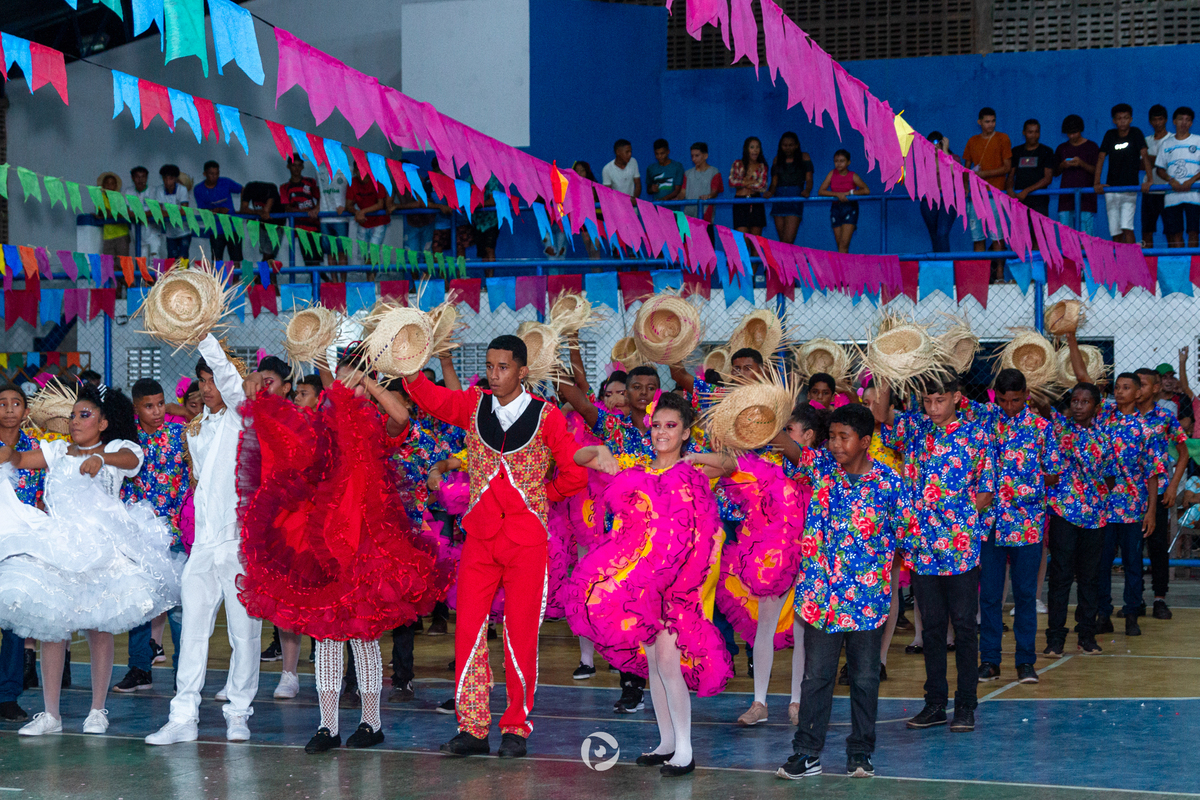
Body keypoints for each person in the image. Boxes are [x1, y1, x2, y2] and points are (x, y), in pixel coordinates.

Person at [237, 353, 441, 753]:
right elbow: (296, 448)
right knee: (327, 634)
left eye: (354, 380)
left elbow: (402, 416)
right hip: (324, 540)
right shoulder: (323, 422)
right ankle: (327, 726)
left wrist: (369, 384)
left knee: (363, 635)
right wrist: (265, 400)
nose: (345, 387)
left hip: (366, 540)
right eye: (341, 380)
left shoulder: (377, 420)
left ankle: (371, 722)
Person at [401, 335, 587, 758]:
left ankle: (516, 727)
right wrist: (409, 368)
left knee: (521, 634)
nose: (494, 374)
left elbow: (575, 473)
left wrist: (543, 497)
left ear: (523, 371)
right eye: (489, 366)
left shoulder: (547, 416)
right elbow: (433, 400)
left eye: (503, 367)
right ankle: (473, 727)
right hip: (481, 539)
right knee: (468, 630)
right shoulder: (474, 404)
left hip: (526, 542)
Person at [0, 385, 180, 736]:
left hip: (102, 549)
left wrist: (101, 459)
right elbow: (19, 459)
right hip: (60, 546)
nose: (75, 421)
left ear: (103, 423)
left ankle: (97, 710)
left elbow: (132, 460)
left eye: (84, 415)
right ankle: (51, 714)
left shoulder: (117, 448)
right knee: (54, 629)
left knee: (99, 627)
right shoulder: (57, 451)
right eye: (73, 415)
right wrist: (9, 449)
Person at [569, 392, 732, 777]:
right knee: (655, 664)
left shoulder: (694, 472)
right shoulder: (636, 469)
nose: (661, 432)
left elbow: (729, 463)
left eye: (671, 426)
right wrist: (599, 449)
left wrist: (698, 457)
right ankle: (667, 742)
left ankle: (685, 750)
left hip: (680, 586)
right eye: (657, 425)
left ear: (686, 432)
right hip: (642, 587)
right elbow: (578, 458)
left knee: (669, 664)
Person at [777, 404, 912, 781]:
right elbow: (791, 448)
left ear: (865, 441)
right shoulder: (822, 468)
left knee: (865, 678)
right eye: (832, 436)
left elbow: (906, 532)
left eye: (843, 437)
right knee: (816, 677)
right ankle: (807, 752)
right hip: (822, 600)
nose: (835, 444)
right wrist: (766, 422)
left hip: (867, 603)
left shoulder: (889, 482)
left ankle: (861, 752)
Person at [146, 336, 262, 745]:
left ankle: (239, 713)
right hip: (204, 544)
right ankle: (183, 716)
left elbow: (231, 381)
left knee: (244, 631)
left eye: (213, 379)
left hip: (239, 542)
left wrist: (203, 338)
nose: (207, 387)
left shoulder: (242, 416)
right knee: (192, 628)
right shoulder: (195, 428)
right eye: (202, 380)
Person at [869, 376, 994, 733]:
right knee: (933, 627)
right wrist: (887, 374)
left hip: (960, 548)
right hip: (922, 548)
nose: (934, 408)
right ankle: (935, 703)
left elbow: (986, 491)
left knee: (965, 626)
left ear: (956, 397)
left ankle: (966, 705)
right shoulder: (914, 429)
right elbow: (880, 414)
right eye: (928, 401)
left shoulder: (976, 435)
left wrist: (959, 522)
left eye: (940, 400)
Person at [720, 402, 825, 729]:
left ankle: (797, 701)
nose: (779, 438)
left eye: (789, 430)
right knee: (764, 627)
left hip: (811, 557)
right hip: (776, 559)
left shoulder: (818, 465)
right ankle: (759, 702)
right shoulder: (768, 467)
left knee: (803, 631)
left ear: (808, 435)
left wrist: (766, 420)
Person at [967, 369, 1060, 686]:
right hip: (990, 523)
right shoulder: (984, 420)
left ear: (1026, 396)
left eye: (1016, 401)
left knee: (1025, 596)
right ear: (995, 396)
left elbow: (1054, 472)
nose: (1009, 407)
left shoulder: (1041, 428)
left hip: (1027, 522)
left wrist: (1028, 479)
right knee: (990, 595)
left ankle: (1025, 662)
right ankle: (990, 661)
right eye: (1004, 401)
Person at [113, 379, 190, 695]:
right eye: (148, 406)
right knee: (141, 603)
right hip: (139, 536)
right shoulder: (125, 443)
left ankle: (183, 674)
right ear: (136, 408)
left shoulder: (180, 435)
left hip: (176, 533)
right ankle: (139, 669)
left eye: (160, 404)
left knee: (180, 606)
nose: (157, 411)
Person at [1036, 380, 1114, 656]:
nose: (1079, 406)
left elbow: (1110, 477)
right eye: (1075, 401)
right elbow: (1043, 405)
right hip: (1064, 513)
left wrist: (1094, 494)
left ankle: (1087, 635)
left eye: (1085, 402)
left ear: (1096, 407)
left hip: (1095, 517)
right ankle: (1055, 637)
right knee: (1060, 576)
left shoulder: (1104, 437)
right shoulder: (1059, 427)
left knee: (1090, 577)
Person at [1092, 372, 1166, 637]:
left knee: (1133, 563)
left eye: (1126, 387)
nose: (1120, 392)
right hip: (1103, 508)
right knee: (1101, 563)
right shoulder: (1102, 420)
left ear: (1138, 393)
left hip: (1133, 510)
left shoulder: (1146, 429)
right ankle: (1103, 613)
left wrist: (1151, 511)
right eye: (1117, 387)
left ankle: (1132, 613)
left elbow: (1153, 473)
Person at [0, 385, 42, 723]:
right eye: (2, 404)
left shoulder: (35, 450)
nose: (9, 409)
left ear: (26, 411)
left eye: (16, 403)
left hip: (20, 546)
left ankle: (7, 695)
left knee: (14, 622)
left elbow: (43, 498)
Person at [1133, 366, 1189, 620]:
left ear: (1155, 388)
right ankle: (1134, 598)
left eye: (1143, 384)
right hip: (1129, 494)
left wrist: (1173, 485)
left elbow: (1183, 452)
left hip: (1158, 491)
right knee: (1131, 548)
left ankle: (1159, 598)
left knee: (1157, 547)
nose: (1137, 389)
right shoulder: (1123, 416)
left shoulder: (1164, 417)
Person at [1093, 103, 1149, 244]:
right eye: (1119, 118)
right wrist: (1097, 183)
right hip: (1111, 190)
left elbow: (1145, 155)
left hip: (1130, 189)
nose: (1122, 121)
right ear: (1114, 120)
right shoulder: (1110, 135)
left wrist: (1150, 179)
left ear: (1131, 119)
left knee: (1127, 227)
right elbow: (1101, 158)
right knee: (1115, 230)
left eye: (1126, 118)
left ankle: (1132, 256)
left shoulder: (1136, 133)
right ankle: (1119, 257)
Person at [962, 107, 1012, 256]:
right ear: (979, 122)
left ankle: (1000, 271)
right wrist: (965, 186)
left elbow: (1007, 167)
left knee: (997, 237)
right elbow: (966, 168)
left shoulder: (1003, 138)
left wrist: (984, 174)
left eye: (993, 121)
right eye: (987, 121)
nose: (991, 124)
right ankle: (980, 271)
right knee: (977, 238)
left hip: (995, 194)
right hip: (976, 196)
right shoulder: (972, 141)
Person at [1154, 106, 1200, 248]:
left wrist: (1191, 181)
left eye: (1187, 120)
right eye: (1181, 119)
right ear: (1174, 121)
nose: (1184, 123)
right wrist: (1171, 180)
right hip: (1172, 196)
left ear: (1191, 123)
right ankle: (1180, 261)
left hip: (1194, 195)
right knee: (1175, 233)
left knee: (1193, 231)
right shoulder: (1166, 144)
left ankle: (1193, 261)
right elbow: (1160, 169)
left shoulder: (1198, 141)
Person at [1054, 115, 1100, 235]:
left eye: (1074, 133)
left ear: (1081, 130)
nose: (1072, 136)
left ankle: (1085, 250)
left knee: (1086, 237)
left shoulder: (1092, 147)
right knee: (1066, 236)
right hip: (1066, 199)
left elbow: (1097, 171)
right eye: (1069, 133)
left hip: (1086, 199)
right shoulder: (1061, 149)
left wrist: (1082, 164)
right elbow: (1054, 173)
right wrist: (1062, 165)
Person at [766, 132, 814, 245]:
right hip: (779, 198)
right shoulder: (777, 159)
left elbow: (809, 179)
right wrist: (770, 192)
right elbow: (774, 183)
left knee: (788, 240)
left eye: (791, 145)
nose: (787, 148)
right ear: (780, 146)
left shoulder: (804, 157)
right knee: (783, 242)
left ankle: (786, 258)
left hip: (795, 197)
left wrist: (807, 190)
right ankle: (783, 258)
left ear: (797, 145)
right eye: (785, 145)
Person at [818, 150, 869, 254]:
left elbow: (866, 190)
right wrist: (837, 194)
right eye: (836, 161)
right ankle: (843, 264)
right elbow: (821, 191)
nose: (838, 163)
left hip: (850, 208)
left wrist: (850, 193)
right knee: (840, 244)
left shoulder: (853, 175)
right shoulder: (832, 174)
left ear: (848, 162)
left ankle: (843, 265)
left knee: (844, 244)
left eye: (842, 161)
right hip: (836, 208)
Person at [192, 161, 244, 261]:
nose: (214, 176)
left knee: (236, 260)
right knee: (216, 260)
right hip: (215, 230)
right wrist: (217, 210)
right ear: (205, 174)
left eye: (217, 173)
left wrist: (243, 208)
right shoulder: (199, 189)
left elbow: (243, 190)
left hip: (233, 228)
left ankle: (236, 273)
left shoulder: (226, 182)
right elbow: (202, 210)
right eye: (211, 174)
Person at [346, 160, 395, 265]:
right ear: (354, 171)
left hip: (379, 221)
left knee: (373, 252)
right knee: (364, 254)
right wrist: (357, 212)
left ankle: (372, 276)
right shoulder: (352, 183)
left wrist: (362, 212)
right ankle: (370, 275)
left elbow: (380, 204)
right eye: (358, 170)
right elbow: (348, 205)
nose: (361, 172)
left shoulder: (377, 181)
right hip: (363, 222)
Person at [279, 155, 322, 267]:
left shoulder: (310, 182)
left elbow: (320, 198)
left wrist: (316, 209)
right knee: (309, 261)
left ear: (302, 167)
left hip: (314, 226)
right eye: (294, 166)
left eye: (299, 166)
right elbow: (286, 208)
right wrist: (303, 211)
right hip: (300, 228)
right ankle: (319, 278)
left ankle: (323, 278)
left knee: (316, 259)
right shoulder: (284, 187)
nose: (296, 169)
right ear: (288, 167)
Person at [1007, 119, 1056, 217]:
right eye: (1030, 132)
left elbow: (1048, 179)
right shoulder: (1016, 151)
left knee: (1039, 228)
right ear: (1024, 132)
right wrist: (1009, 189)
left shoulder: (1047, 151)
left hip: (1039, 202)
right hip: (1020, 200)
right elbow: (1011, 175)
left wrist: (1026, 191)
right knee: (1019, 227)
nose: (1034, 135)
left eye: (1036, 132)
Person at [920, 132, 958, 252]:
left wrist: (945, 151)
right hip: (930, 200)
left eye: (937, 142)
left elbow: (954, 171)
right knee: (934, 235)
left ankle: (945, 263)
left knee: (942, 233)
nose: (934, 145)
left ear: (942, 143)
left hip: (948, 199)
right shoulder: (925, 160)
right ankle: (938, 262)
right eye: (930, 143)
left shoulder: (953, 158)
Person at [1142, 105, 1171, 248]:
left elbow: (1170, 164)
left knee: (1172, 232)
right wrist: (1160, 160)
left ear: (1166, 120)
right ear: (1150, 121)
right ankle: (1148, 261)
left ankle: (1175, 261)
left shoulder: (1173, 139)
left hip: (1168, 192)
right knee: (1146, 231)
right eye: (1154, 120)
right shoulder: (1145, 141)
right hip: (1149, 192)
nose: (1158, 123)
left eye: (1160, 119)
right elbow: (1139, 165)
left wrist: (1149, 159)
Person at [151, 165, 192, 260]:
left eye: (170, 178)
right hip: (170, 233)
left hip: (184, 231)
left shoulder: (182, 189)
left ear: (175, 179)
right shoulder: (159, 190)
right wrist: (175, 212)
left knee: (183, 259)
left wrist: (166, 213)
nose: (167, 181)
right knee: (172, 261)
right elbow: (158, 212)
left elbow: (184, 211)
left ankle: (184, 271)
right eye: (165, 178)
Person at [730, 137, 769, 236]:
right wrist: (751, 182)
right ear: (746, 149)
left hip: (756, 203)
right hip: (740, 203)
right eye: (752, 147)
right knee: (743, 240)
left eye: (757, 147)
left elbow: (762, 186)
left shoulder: (762, 166)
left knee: (755, 242)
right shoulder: (737, 163)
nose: (755, 150)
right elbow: (732, 182)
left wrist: (743, 182)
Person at [682, 142, 724, 225]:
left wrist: (708, 196)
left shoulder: (714, 172)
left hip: (706, 214)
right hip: (689, 214)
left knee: (705, 233)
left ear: (705, 156)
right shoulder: (687, 173)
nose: (694, 159)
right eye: (692, 156)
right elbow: (682, 193)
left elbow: (714, 192)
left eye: (697, 155)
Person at [239, 180, 282, 261]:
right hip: (263, 225)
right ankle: (266, 269)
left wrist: (254, 213)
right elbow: (244, 209)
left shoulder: (271, 189)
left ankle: (263, 269)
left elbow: (265, 213)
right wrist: (257, 213)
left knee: (268, 254)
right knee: (266, 253)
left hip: (276, 225)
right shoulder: (250, 188)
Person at [317, 163, 350, 266]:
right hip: (325, 217)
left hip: (340, 219)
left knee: (342, 251)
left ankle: (343, 277)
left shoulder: (347, 168)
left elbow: (354, 190)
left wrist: (347, 206)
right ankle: (333, 277)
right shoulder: (319, 169)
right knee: (330, 252)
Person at [97, 172, 131, 258]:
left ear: (116, 186)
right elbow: (102, 212)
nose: (109, 186)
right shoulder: (100, 197)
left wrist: (109, 213)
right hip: (108, 235)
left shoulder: (119, 197)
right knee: (108, 263)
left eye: (112, 184)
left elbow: (122, 213)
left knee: (122, 262)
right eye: (107, 183)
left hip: (122, 234)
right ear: (103, 186)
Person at [130, 166, 161, 260]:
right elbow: (127, 212)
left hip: (153, 232)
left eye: (143, 177)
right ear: (132, 178)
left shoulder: (153, 191)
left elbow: (155, 210)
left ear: (147, 178)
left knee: (155, 258)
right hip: (137, 233)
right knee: (141, 261)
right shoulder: (129, 192)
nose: (140, 180)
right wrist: (143, 215)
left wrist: (140, 215)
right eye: (137, 177)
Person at [646, 139, 685, 203]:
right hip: (657, 207)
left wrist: (664, 199)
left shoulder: (677, 167)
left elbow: (677, 190)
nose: (659, 156)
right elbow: (648, 190)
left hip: (673, 207)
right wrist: (651, 189)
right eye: (657, 154)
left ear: (668, 152)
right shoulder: (651, 168)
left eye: (662, 153)